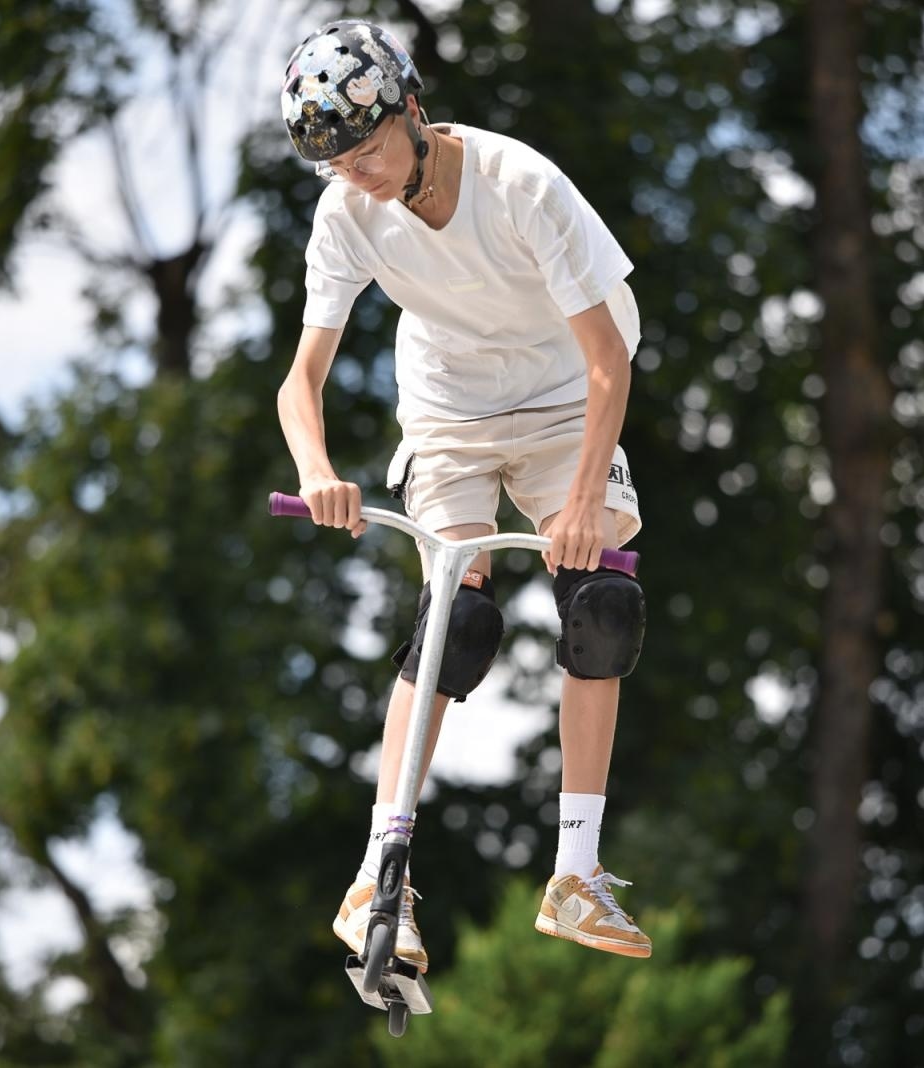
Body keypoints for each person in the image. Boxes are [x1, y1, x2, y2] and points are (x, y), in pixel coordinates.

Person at [275, 18, 651, 969]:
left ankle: (576, 874)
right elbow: (299, 382)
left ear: (411, 108)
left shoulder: (519, 186)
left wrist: (575, 506)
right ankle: (375, 879)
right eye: (338, 166)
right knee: (459, 617)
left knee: (602, 601)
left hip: (569, 390)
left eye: (367, 152)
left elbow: (608, 362)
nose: (358, 177)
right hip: (449, 410)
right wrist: (318, 472)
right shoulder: (346, 211)